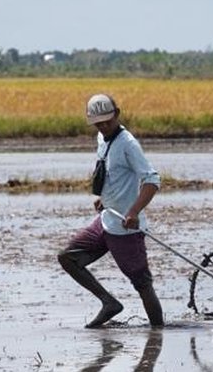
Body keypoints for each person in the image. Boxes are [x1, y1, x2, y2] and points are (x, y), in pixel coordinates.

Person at [58, 93, 164, 328]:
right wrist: (103, 198)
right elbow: (111, 174)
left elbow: (152, 180)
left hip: (126, 229)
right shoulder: (102, 138)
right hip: (107, 220)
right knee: (68, 258)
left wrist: (134, 212)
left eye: (108, 121)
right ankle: (109, 303)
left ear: (117, 114)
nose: (104, 126)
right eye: (99, 123)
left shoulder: (128, 144)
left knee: (142, 284)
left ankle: (158, 335)